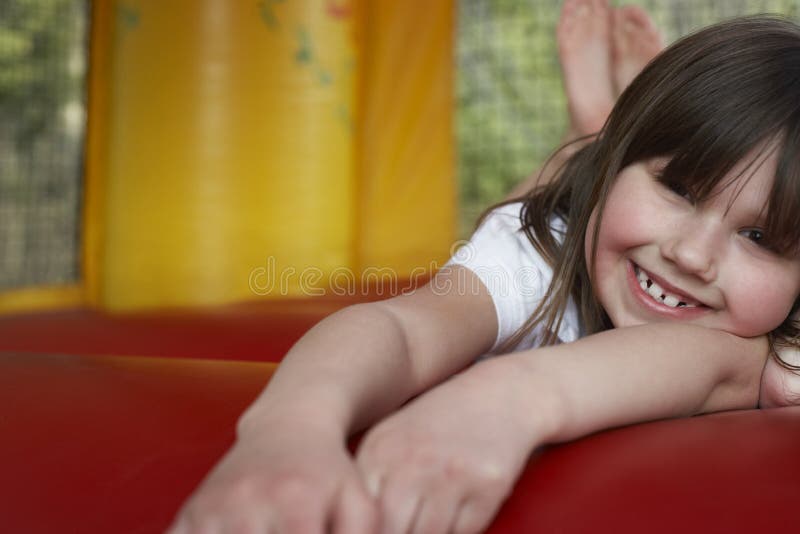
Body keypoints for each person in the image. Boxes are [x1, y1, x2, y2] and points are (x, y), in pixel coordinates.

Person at [169, 5, 800, 534]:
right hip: (572, 207)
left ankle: (606, 134)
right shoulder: (537, 256)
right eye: (679, 187)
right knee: (536, 203)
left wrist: (509, 399)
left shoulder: (773, 342)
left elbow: (712, 364)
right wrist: (288, 431)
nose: (691, 255)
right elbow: (403, 328)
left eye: (758, 236)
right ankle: (596, 134)